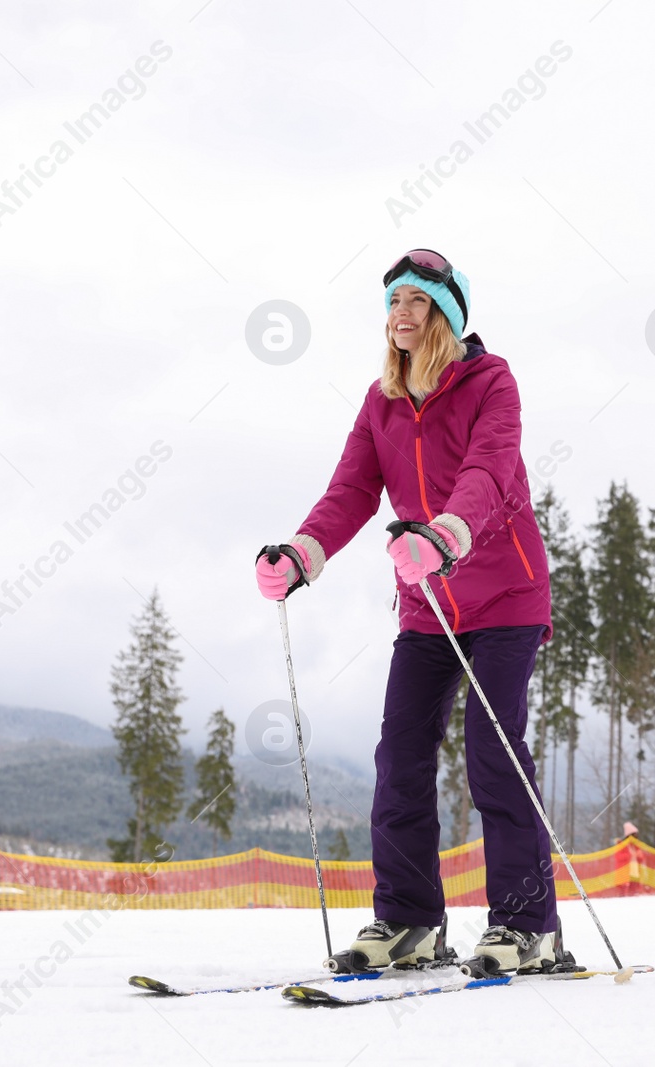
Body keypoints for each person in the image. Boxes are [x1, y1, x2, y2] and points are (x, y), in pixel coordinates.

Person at [254, 249, 566, 974]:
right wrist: (302, 552)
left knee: (493, 752)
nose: (401, 313)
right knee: (399, 755)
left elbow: (490, 469)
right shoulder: (380, 401)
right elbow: (352, 491)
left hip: (505, 596)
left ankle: (527, 927)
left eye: (418, 301)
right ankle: (409, 920)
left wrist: (447, 535)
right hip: (428, 605)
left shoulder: (491, 381)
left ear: (446, 316)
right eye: (394, 300)